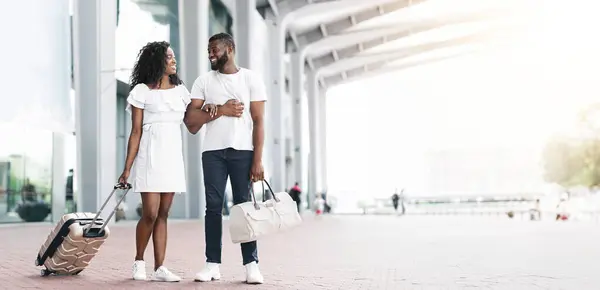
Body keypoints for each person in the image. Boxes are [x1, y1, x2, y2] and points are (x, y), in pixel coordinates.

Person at [184, 32, 267, 284]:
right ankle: (212, 264)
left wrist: (258, 160)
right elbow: (190, 122)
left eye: (214, 50)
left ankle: (251, 265)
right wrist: (221, 110)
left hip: (243, 151)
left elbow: (259, 120)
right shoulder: (204, 81)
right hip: (212, 152)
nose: (210, 54)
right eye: (209, 50)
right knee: (212, 208)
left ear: (229, 49)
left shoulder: (251, 78)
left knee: (243, 208)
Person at [117, 41, 188, 282]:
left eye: (173, 56)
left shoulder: (181, 91)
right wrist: (127, 168)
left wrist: (213, 108)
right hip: (150, 155)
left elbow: (192, 117)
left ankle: (160, 268)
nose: (173, 60)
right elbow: (135, 132)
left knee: (164, 213)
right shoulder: (141, 91)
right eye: (169, 57)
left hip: (172, 157)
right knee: (149, 213)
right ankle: (139, 261)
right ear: (157, 61)